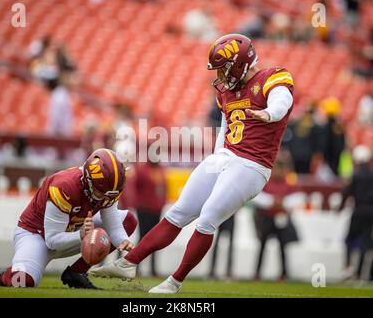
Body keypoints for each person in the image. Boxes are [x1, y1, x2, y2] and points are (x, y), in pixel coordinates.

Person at [90, 34, 294, 294]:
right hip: (226, 157)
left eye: (224, 68)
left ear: (240, 63)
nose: (220, 75)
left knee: (207, 219)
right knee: (178, 212)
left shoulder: (272, 78)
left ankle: (174, 282)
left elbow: (281, 103)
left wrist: (267, 114)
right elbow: (225, 131)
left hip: (252, 164)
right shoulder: (227, 93)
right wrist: (218, 158)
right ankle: (128, 263)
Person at [0, 149, 137, 289]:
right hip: (38, 236)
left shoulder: (107, 188)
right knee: (22, 281)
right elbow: (51, 240)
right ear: (88, 181)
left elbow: (113, 223)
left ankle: (76, 272)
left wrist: (122, 240)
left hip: (74, 231)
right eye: (101, 193)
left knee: (128, 220)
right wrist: (81, 235)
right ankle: (1, 277)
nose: (106, 198)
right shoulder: (64, 186)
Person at [252, 151, 300, 281]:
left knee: (283, 247)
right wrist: (272, 202)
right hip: (266, 218)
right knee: (262, 246)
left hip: (281, 218)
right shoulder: (265, 180)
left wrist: (282, 203)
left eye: (281, 167)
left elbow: (298, 198)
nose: (279, 170)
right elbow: (256, 196)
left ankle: (284, 274)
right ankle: (257, 273)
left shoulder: (289, 182)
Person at [337, 145, 373, 281]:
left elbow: (347, 192)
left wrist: (340, 208)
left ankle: (348, 267)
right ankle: (359, 273)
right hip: (370, 213)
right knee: (365, 242)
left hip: (358, 211)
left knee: (349, 240)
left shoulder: (356, 175)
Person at [134, 159, 167, 277]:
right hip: (144, 209)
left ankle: (153, 269)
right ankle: (136, 267)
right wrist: (138, 203)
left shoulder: (160, 169)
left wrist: (162, 203)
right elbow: (135, 187)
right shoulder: (142, 169)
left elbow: (164, 188)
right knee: (143, 238)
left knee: (155, 240)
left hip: (156, 209)